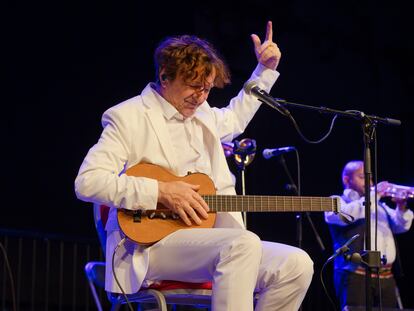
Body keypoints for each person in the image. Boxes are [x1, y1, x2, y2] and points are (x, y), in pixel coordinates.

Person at [75, 21, 314, 311]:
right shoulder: (128, 117)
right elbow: (88, 182)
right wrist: (161, 191)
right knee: (241, 244)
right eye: (194, 87)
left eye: (207, 89)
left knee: (296, 264)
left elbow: (236, 118)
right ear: (165, 76)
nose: (201, 96)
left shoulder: (204, 115)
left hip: (204, 243)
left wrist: (263, 71)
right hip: (149, 247)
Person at [325, 160, 413, 310]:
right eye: (362, 176)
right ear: (347, 180)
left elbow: (400, 227)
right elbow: (348, 214)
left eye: (370, 178)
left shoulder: (378, 204)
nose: (369, 181)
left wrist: (401, 206)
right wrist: (374, 194)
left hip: (385, 277)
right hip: (355, 275)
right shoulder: (336, 201)